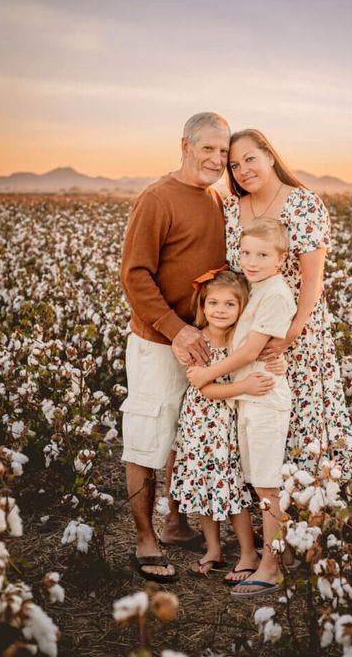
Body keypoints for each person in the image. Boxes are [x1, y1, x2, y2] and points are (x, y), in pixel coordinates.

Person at [120, 112, 230, 582]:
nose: (216, 158)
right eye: (208, 148)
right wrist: (176, 329)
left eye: (223, 151)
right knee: (148, 438)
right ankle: (145, 540)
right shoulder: (157, 198)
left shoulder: (216, 200)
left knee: (185, 436)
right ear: (184, 145)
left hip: (202, 341)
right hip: (157, 341)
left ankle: (175, 521)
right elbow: (135, 274)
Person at [224, 128, 352, 480]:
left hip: (295, 324)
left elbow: (312, 279)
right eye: (234, 165)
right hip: (247, 325)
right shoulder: (231, 208)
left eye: (250, 159)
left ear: (270, 156)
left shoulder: (303, 203)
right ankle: (264, 503)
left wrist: (291, 333)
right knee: (251, 408)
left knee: (299, 408)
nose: (243, 170)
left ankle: (306, 497)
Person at [187, 219, 297, 597]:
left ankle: (271, 566)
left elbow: (250, 351)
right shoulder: (254, 286)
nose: (251, 260)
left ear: (280, 259)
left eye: (263, 254)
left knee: (267, 485)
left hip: (264, 398)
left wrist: (205, 376)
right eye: (246, 252)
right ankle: (282, 552)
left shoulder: (277, 292)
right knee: (258, 481)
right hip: (248, 397)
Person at [170, 269, 272, 582]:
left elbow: (262, 358)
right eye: (213, 303)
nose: (220, 310)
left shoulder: (241, 341)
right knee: (203, 486)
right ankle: (213, 549)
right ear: (202, 305)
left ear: (242, 309)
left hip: (226, 430)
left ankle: (247, 554)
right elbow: (206, 389)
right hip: (200, 425)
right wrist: (244, 388)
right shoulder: (195, 341)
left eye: (230, 305)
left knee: (232, 489)